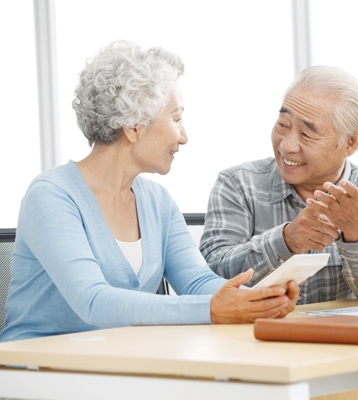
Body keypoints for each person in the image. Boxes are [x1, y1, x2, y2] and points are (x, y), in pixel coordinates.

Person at [0, 41, 298, 342]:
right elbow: (93, 302)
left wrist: (257, 300)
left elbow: (196, 282)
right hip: (38, 368)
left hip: (123, 363)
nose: (184, 137)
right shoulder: (51, 195)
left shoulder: (157, 201)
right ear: (133, 125)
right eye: (176, 119)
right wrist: (212, 309)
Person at [200, 66, 358, 305]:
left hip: (342, 340)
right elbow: (209, 279)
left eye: (307, 134)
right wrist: (286, 240)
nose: (287, 145)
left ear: (350, 142)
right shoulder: (239, 184)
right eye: (282, 125)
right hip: (256, 338)